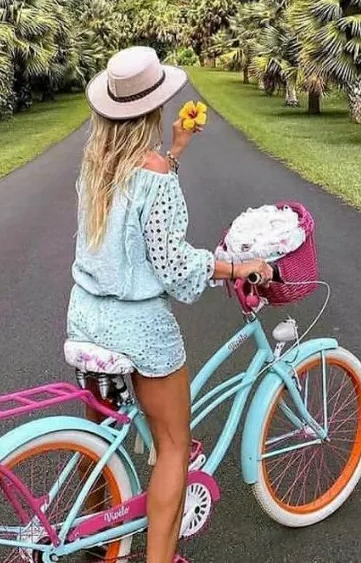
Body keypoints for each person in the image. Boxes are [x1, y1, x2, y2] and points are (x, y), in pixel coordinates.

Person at [66, 46, 273, 563]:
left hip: (86, 316)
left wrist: (175, 150)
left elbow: (136, 215)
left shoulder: (95, 164)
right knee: (174, 446)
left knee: (103, 429)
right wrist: (233, 266)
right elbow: (177, 270)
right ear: (153, 106)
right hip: (137, 329)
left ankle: (101, 542)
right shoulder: (153, 172)